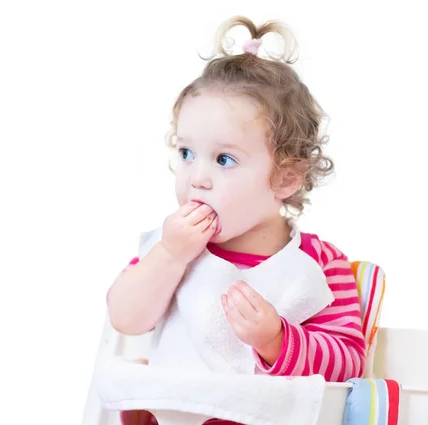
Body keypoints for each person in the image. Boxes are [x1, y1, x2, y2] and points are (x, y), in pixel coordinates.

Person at [105, 15, 366, 425]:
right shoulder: (171, 246)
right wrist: (170, 256)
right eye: (187, 153)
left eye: (224, 159)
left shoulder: (318, 264)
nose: (197, 178)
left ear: (285, 177)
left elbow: (348, 364)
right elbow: (125, 318)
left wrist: (277, 340)